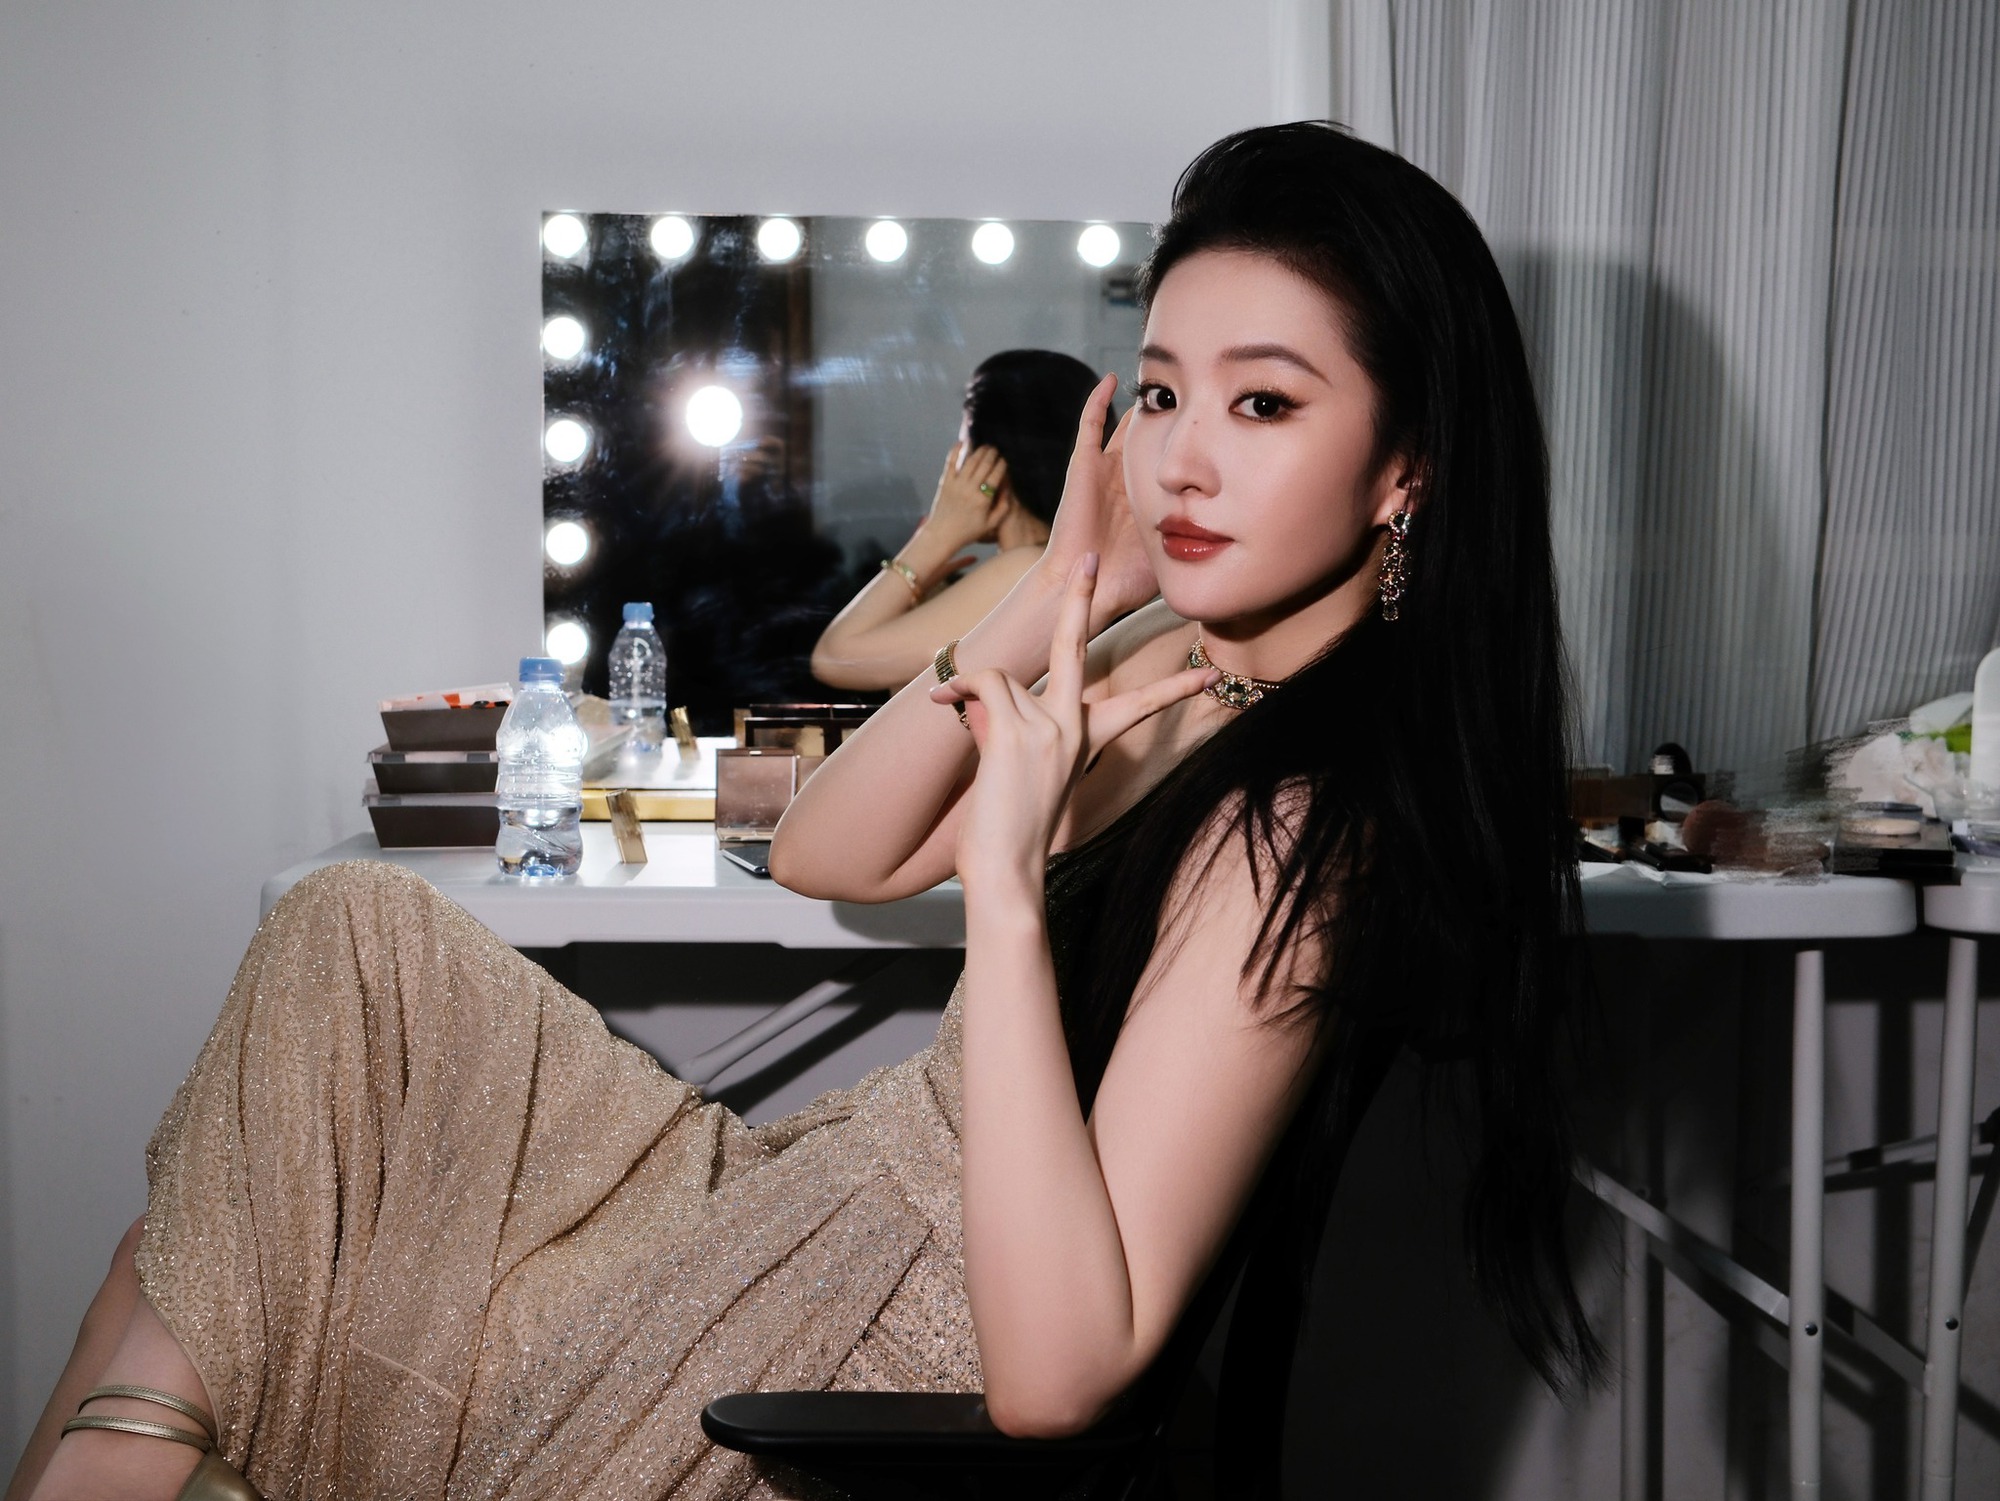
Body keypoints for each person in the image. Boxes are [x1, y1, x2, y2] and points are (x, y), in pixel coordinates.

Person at [8, 122, 1598, 1501]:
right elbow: (834, 849)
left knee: (217, 1242)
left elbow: (1059, 1379)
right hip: (807, 1198)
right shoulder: (1178, 660)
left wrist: (1006, 887)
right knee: (348, 953)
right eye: (1166, 395)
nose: (1181, 461)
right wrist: (1066, 584)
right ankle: (123, 1456)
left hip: (873, 1320)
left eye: (1264, 407)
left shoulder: (1295, 830)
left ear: (1404, 469)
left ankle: (114, 1461)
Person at [809, 349, 1111, 691]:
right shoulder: (1049, 565)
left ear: (991, 462)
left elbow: (834, 658)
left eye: (964, 443)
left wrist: (936, 535)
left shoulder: (1026, 568)